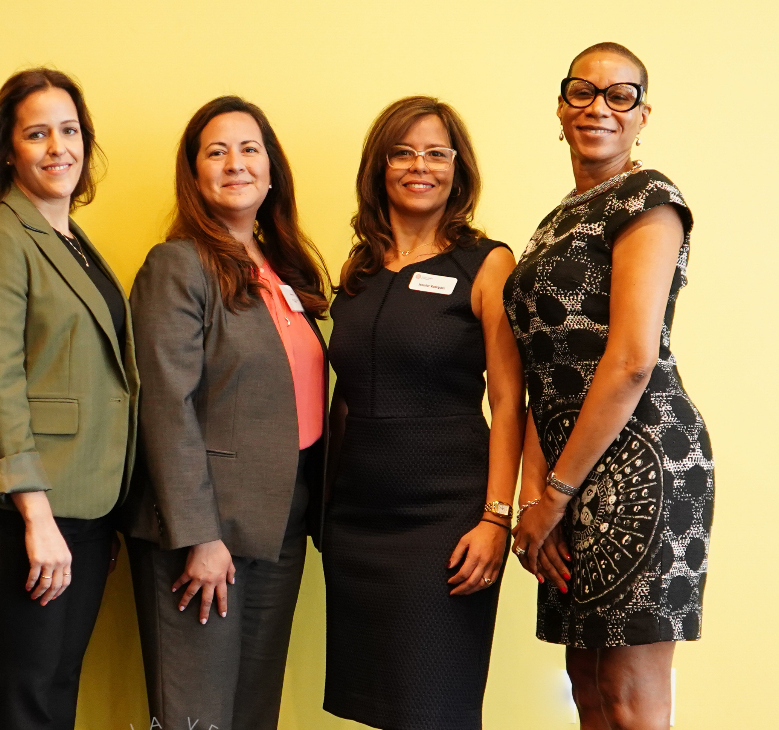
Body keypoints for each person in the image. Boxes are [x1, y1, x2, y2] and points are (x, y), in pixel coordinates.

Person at [506, 42, 712, 730]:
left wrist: (554, 496)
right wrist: (539, 496)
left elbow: (630, 361)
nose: (598, 107)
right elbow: (540, 370)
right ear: (561, 107)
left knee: (629, 695)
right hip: (572, 473)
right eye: (582, 92)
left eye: (619, 95)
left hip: (643, 463)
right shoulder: (555, 219)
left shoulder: (649, 198)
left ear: (641, 113)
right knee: (587, 688)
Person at [124, 96, 329, 730]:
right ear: (195, 174)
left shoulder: (280, 268)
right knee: (198, 715)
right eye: (217, 152)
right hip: (205, 533)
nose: (235, 163)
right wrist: (199, 537)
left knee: (252, 711)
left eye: (249, 149)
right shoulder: (178, 264)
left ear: (272, 171)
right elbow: (166, 405)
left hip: (278, 524)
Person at [0, 67, 138, 730]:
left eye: (70, 130)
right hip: (14, 516)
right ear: (7, 149)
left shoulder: (75, 243)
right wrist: (37, 517)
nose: (58, 146)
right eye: (37, 133)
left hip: (80, 509)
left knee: (55, 697)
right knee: (22, 701)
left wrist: (94, 513)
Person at [322, 97, 524, 730]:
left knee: (434, 708)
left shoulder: (487, 263)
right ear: (379, 167)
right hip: (356, 523)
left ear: (457, 169)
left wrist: (497, 516)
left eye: (437, 152)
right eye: (404, 152)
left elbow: (509, 399)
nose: (421, 165)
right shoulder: (356, 270)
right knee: (379, 709)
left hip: (445, 521)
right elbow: (342, 393)